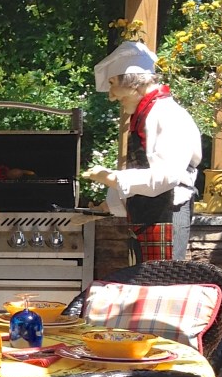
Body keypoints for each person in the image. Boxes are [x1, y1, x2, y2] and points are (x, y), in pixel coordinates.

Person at [82, 40, 201, 263]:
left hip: (166, 214)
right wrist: (104, 207)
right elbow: (142, 170)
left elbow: (167, 176)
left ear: (132, 83)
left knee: (161, 282)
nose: (111, 95)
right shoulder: (147, 114)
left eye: (112, 83)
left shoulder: (168, 114)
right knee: (143, 281)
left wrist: (113, 178)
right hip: (148, 216)